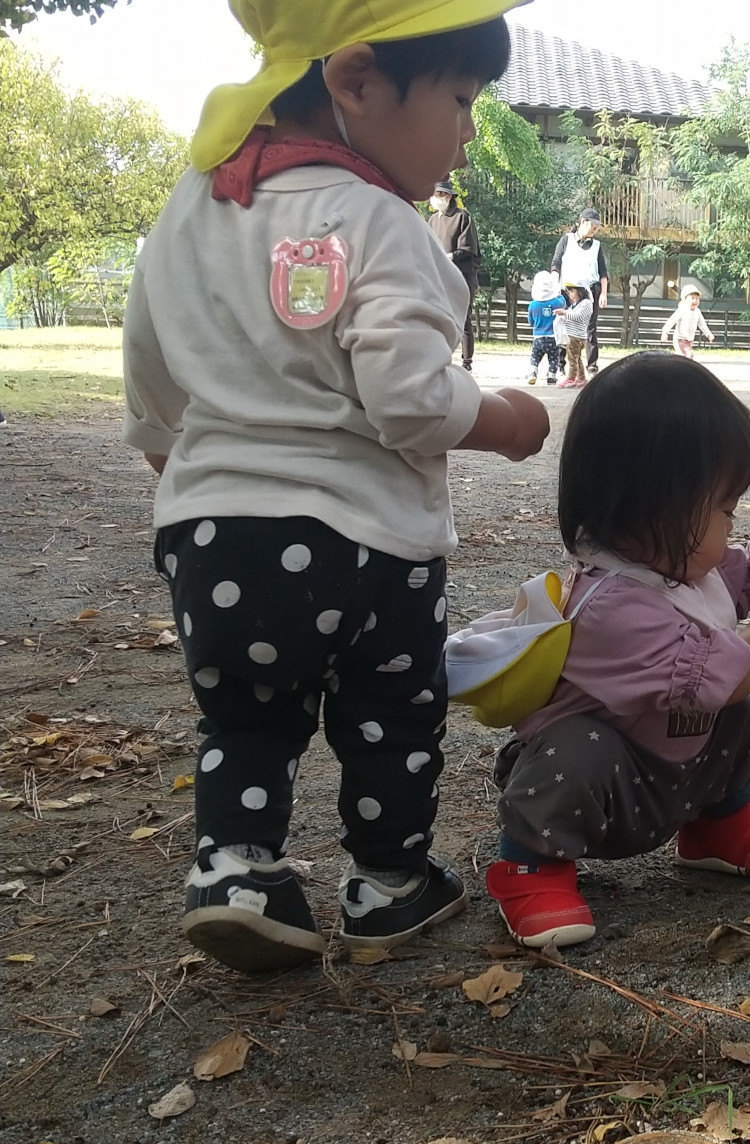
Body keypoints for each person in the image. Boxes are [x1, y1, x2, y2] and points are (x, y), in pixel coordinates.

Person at [122, 0, 548, 973]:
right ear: (357, 81)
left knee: (247, 719)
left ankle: (238, 871)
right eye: (460, 98)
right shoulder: (377, 221)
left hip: (214, 534)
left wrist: (176, 469)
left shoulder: (193, 205)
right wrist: (509, 421)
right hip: (368, 545)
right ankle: (387, 884)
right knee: (389, 719)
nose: (468, 131)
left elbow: (148, 365)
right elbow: (408, 400)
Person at [475, 354, 750, 949]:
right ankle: (529, 866)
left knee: (735, 719)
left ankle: (719, 828)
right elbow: (726, 677)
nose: (733, 525)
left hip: (671, 761)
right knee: (580, 746)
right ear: (657, 506)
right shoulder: (611, 604)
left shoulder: (680, 569)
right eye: (724, 508)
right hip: (609, 779)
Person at [426, 177, 482, 370]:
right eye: (433, 194)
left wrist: (451, 256)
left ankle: (467, 362)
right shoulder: (432, 220)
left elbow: (469, 248)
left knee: (463, 318)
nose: (434, 198)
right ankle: (441, 357)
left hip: (462, 275)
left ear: (448, 196)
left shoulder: (462, 216)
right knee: (439, 316)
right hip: (439, 275)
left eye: (438, 194)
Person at [551, 209, 608, 375]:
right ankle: (560, 364)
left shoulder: (597, 246)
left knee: (590, 327)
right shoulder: (566, 240)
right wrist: (555, 287)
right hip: (567, 289)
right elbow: (556, 264)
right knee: (563, 324)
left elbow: (603, 273)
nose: (595, 229)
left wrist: (603, 293)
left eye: (597, 227)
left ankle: (591, 364)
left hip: (589, 290)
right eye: (592, 225)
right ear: (583, 221)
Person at [526, 270, 565, 385]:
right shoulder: (557, 302)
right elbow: (563, 302)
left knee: (535, 356)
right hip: (553, 337)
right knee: (554, 358)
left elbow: (531, 322)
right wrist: (559, 294)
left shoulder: (533, 305)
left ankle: (533, 372)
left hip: (538, 337)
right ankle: (552, 376)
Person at [556, 283, 593, 387]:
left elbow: (578, 317)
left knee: (572, 359)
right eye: (569, 292)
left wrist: (564, 313)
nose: (570, 295)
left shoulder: (586, 303)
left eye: (572, 291)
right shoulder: (576, 304)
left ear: (580, 291)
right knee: (577, 358)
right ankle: (581, 378)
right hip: (572, 335)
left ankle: (571, 378)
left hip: (576, 336)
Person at [660, 288, 714, 358]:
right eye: (692, 298)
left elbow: (702, 324)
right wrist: (665, 332)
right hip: (680, 340)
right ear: (685, 300)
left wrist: (708, 334)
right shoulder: (682, 310)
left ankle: (674, 364)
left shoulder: (697, 312)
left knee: (684, 357)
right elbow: (671, 321)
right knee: (689, 355)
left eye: (697, 298)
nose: (695, 300)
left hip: (690, 340)